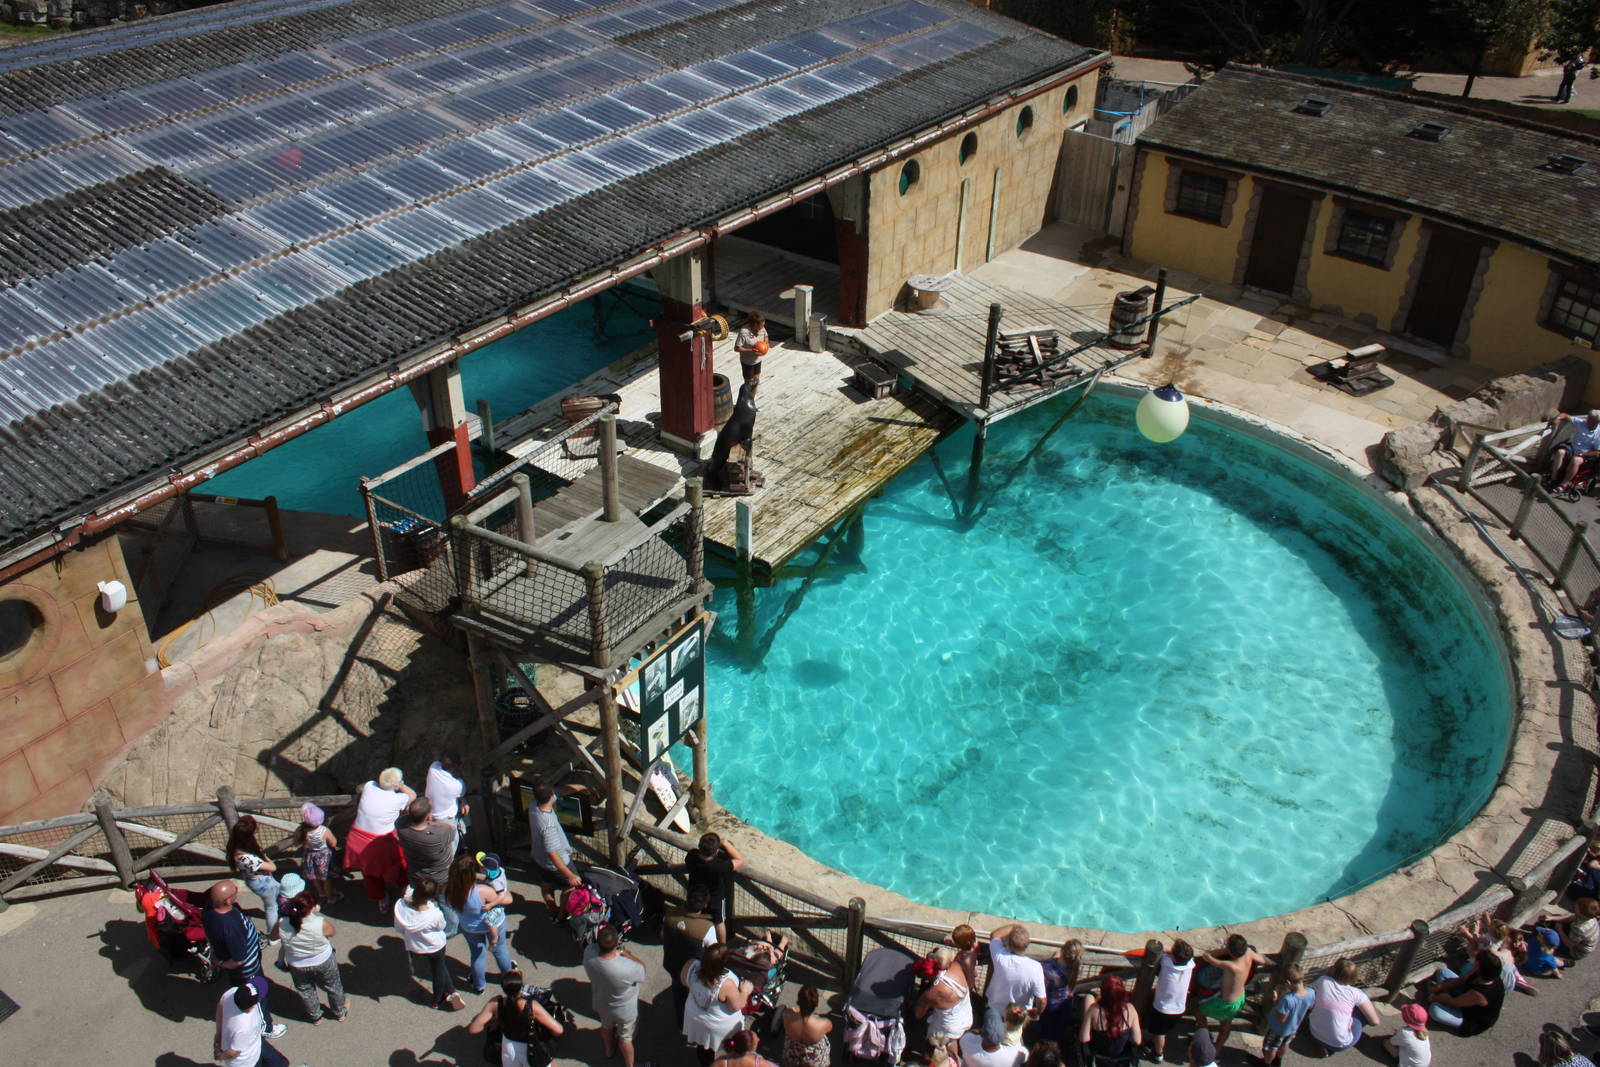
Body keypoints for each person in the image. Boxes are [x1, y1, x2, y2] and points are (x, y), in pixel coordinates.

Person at [202, 881, 284, 1038]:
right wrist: (219, 963)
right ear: (227, 901)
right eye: (234, 894)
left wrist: (215, 955)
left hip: (242, 965)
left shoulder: (209, 909)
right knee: (257, 995)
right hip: (247, 970)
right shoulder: (230, 927)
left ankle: (243, 1002)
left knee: (242, 987)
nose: (237, 894)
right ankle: (266, 1028)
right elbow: (239, 960)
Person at [346, 767, 414, 913]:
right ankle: (405, 890)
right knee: (400, 865)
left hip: (357, 839)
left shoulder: (369, 786)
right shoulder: (397, 798)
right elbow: (412, 795)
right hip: (380, 842)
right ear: (396, 785)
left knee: (370, 873)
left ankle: (381, 899)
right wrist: (401, 785)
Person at [393, 876, 465, 1012]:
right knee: (438, 969)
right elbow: (442, 926)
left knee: (440, 967)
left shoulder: (401, 907)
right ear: (432, 897)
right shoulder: (434, 914)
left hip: (415, 945)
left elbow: (399, 928)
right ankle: (437, 1000)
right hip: (435, 946)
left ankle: (451, 991)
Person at [446, 852, 515, 993]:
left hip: (469, 927)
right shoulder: (482, 890)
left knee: (477, 954)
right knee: (500, 950)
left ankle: (479, 985)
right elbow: (507, 900)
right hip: (493, 925)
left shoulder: (449, 890)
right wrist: (506, 892)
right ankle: (509, 977)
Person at [469, 968, 566, 1067]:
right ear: (521, 986)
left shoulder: (496, 1003)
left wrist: (494, 1021)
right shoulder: (531, 1006)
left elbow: (474, 1029)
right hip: (531, 1046)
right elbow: (558, 1030)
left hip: (508, 1048)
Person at [276, 889, 347, 1023]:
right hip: (323, 960)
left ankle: (315, 1017)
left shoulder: (282, 922)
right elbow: (332, 933)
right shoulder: (319, 923)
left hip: (296, 963)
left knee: (305, 990)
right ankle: (340, 1013)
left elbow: (274, 936)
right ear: (312, 908)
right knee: (333, 986)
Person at [584, 925, 647, 1067]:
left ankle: (609, 1051)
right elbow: (642, 971)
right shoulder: (626, 967)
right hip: (624, 1010)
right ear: (617, 942)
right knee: (625, 1037)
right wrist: (626, 954)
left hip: (601, 1002)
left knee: (606, 1025)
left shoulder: (589, 953)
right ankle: (630, 1065)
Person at [683, 942, 752, 1066]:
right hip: (715, 1025)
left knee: (703, 1048)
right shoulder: (726, 984)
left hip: (695, 1016)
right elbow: (737, 1005)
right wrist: (745, 991)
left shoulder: (691, 966)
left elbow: (684, 980)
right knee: (732, 1048)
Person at [396, 796, 458, 932]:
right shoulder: (440, 834)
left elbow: (403, 818)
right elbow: (450, 828)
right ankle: (450, 930)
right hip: (442, 878)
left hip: (417, 875)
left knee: (423, 899)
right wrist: (432, 823)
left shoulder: (401, 827)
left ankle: (422, 921)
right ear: (429, 817)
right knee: (446, 904)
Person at [1194, 934, 1265, 1049]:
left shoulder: (1231, 966)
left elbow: (1207, 956)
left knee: (1199, 1013)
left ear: (1231, 952)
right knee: (1226, 1025)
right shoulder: (1249, 953)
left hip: (1225, 1003)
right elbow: (1262, 960)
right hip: (1239, 999)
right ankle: (1217, 1051)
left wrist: (1223, 950)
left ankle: (1206, 1042)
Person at [528, 777, 581, 920]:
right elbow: (552, 853)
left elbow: (560, 791)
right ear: (551, 795)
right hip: (556, 863)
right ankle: (561, 915)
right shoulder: (548, 825)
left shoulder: (534, 805)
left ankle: (552, 908)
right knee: (570, 888)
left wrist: (583, 787)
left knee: (546, 883)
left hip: (538, 859)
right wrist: (569, 874)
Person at [1418, 949, 1504, 1036]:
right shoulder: (1484, 973)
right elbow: (1461, 980)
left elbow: (1454, 1003)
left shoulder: (1480, 994)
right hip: (1464, 996)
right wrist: (1440, 987)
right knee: (1443, 972)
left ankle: (1442, 996)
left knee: (1435, 1010)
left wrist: (1434, 998)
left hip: (1468, 1018)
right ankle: (1444, 994)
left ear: (1478, 965)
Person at [665, 886, 719, 1022]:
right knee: (697, 999)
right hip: (693, 972)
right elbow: (714, 952)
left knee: (678, 993)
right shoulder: (706, 928)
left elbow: (662, 934)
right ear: (705, 905)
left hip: (672, 963)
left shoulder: (670, 914)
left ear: (687, 899)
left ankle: (680, 1022)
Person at [1308, 957, 1381, 1053]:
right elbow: (1374, 1022)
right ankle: (1337, 1038)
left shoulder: (1323, 980)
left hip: (1314, 1033)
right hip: (1339, 1045)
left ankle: (1323, 1042)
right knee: (1361, 1011)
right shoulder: (1357, 993)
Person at [227, 815, 281, 939]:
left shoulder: (235, 847)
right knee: (271, 908)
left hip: (252, 880)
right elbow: (273, 867)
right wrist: (264, 856)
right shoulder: (248, 858)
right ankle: (273, 936)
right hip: (263, 883)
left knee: (274, 900)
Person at [686, 832, 745, 944]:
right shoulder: (719, 866)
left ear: (699, 846)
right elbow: (740, 860)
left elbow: (694, 854)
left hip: (694, 893)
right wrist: (726, 844)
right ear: (717, 851)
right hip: (715, 899)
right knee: (719, 921)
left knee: (696, 912)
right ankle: (722, 945)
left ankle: (693, 933)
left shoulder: (691, 856)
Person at [985, 923, 1046, 1029]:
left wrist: (1015, 926)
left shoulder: (1000, 958)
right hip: (1019, 1014)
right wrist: (1037, 1012)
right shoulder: (1036, 967)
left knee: (992, 1037)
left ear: (1009, 944)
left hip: (996, 1010)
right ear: (1028, 943)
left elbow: (995, 935)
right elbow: (1042, 1000)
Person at [914, 945, 973, 1052]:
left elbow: (918, 1014)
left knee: (941, 1044)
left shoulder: (932, 994)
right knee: (952, 1042)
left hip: (947, 1027)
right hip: (964, 1013)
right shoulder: (956, 966)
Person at [1145, 938, 1195, 1061]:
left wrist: (1169, 950)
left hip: (1162, 1009)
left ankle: (1158, 1054)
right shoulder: (1190, 965)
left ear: (1173, 956)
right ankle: (1154, 1042)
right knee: (1163, 1030)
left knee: (1160, 1033)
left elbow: (1161, 951)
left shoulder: (1166, 962)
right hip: (1179, 1008)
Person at [215, 981, 287, 1067]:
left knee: (279, 1063)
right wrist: (220, 1056)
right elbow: (232, 1052)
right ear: (248, 1008)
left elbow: (219, 1009)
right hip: (247, 1061)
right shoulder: (243, 1026)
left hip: (256, 1042)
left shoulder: (232, 992)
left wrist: (218, 1034)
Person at [1260, 963, 1312, 1066]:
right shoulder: (1310, 993)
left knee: (1271, 1048)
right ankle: (1278, 1060)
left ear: (1288, 983)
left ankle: (1266, 1063)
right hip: (1293, 1028)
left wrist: (1276, 1001)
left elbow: (1281, 1018)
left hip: (1278, 1029)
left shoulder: (1288, 999)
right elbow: (1310, 1006)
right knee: (1285, 1043)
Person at [1079, 974, 1140, 1062]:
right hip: (1120, 1058)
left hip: (1098, 1057)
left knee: (1089, 998)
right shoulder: (1130, 1009)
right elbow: (1137, 1040)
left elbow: (1084, 1038)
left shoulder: (1094, 1009)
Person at [293, 802, 340, 904]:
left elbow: (296, 842)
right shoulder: (324, 830)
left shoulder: (301, 830)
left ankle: (321, 892)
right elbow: (333, 843)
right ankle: (330, 897)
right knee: (326, 877)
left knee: (315, 876)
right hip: (323, 856)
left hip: (310, 855)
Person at [1038, 940, 1081, 1046]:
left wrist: (1054, 958)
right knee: (1059, 1033)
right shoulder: (1078, 966)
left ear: (1062, 951)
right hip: (1067, 1004)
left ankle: (1045, 1053)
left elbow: (1043, 979)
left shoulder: (1049, 968)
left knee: (1046, 1034)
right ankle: (1057, 1052)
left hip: (1051, 1005)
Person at [1545, 410, 1600, 492]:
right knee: (1560, 452)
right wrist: (1558, 418)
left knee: (1575, 460)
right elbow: (1565, 415)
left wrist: (1583, 454)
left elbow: (1598, 452)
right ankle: (1553, 479)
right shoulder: (1581, 422)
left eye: (1591, 420)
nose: (1588, 421)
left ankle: (1563, 485)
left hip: (1585, 454)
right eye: (1589, 418)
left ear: (1597, 422)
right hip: (1572, 448)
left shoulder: (1598, 433)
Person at [426, 749, 470, 850]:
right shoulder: (455, 786)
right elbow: (462, 788)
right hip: (446, 821)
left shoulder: (433, 768)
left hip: (431, 815)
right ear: (456, 766)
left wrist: (463, 800)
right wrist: (464, 801)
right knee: (451, 851)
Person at [781, 984, 833, 1067]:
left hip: (791, 1054)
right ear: (816, 1004)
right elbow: (830, 1028)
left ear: (798, 1001)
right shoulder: (822, 1023)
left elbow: (789, 1011)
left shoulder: (787, 1014)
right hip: (813, 1060)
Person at [957, 1016, 1027, 1067]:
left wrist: (978, 1032)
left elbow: (969, 1034)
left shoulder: (966, 1041)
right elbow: (1025, 1056)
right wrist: (1009, 1045)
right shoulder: (1014, 1053)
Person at [1383, 1003, 1431, 1067]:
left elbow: (1392, 1042)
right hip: (1425, 1064)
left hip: (1411, 1065)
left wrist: (1397, 1035)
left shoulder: (1405, 1033)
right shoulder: (1424, 1031)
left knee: (1386, 1043)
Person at [734, 311, 769, 385]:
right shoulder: (744, 332)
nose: (762, 327)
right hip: (747, 362)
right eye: (761, 326)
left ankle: (753, 396)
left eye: (763, 325)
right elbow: (737, 348)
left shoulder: (761, 328)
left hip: (757, 360)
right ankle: (748, 396)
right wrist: (751, 350)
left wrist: (766, 343)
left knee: (756, 381)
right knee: (749, 383)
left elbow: (766, 335)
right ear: (755, 324)